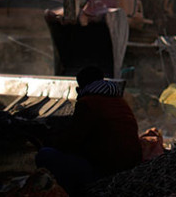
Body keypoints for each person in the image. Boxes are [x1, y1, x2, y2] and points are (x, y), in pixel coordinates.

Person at [35, 66, 142, 195]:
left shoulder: (87, 103)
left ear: (80, 86)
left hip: (105, 172)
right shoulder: (119, 101)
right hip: (129, 169)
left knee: (46, 154)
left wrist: (49, 141)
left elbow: (71, 142)